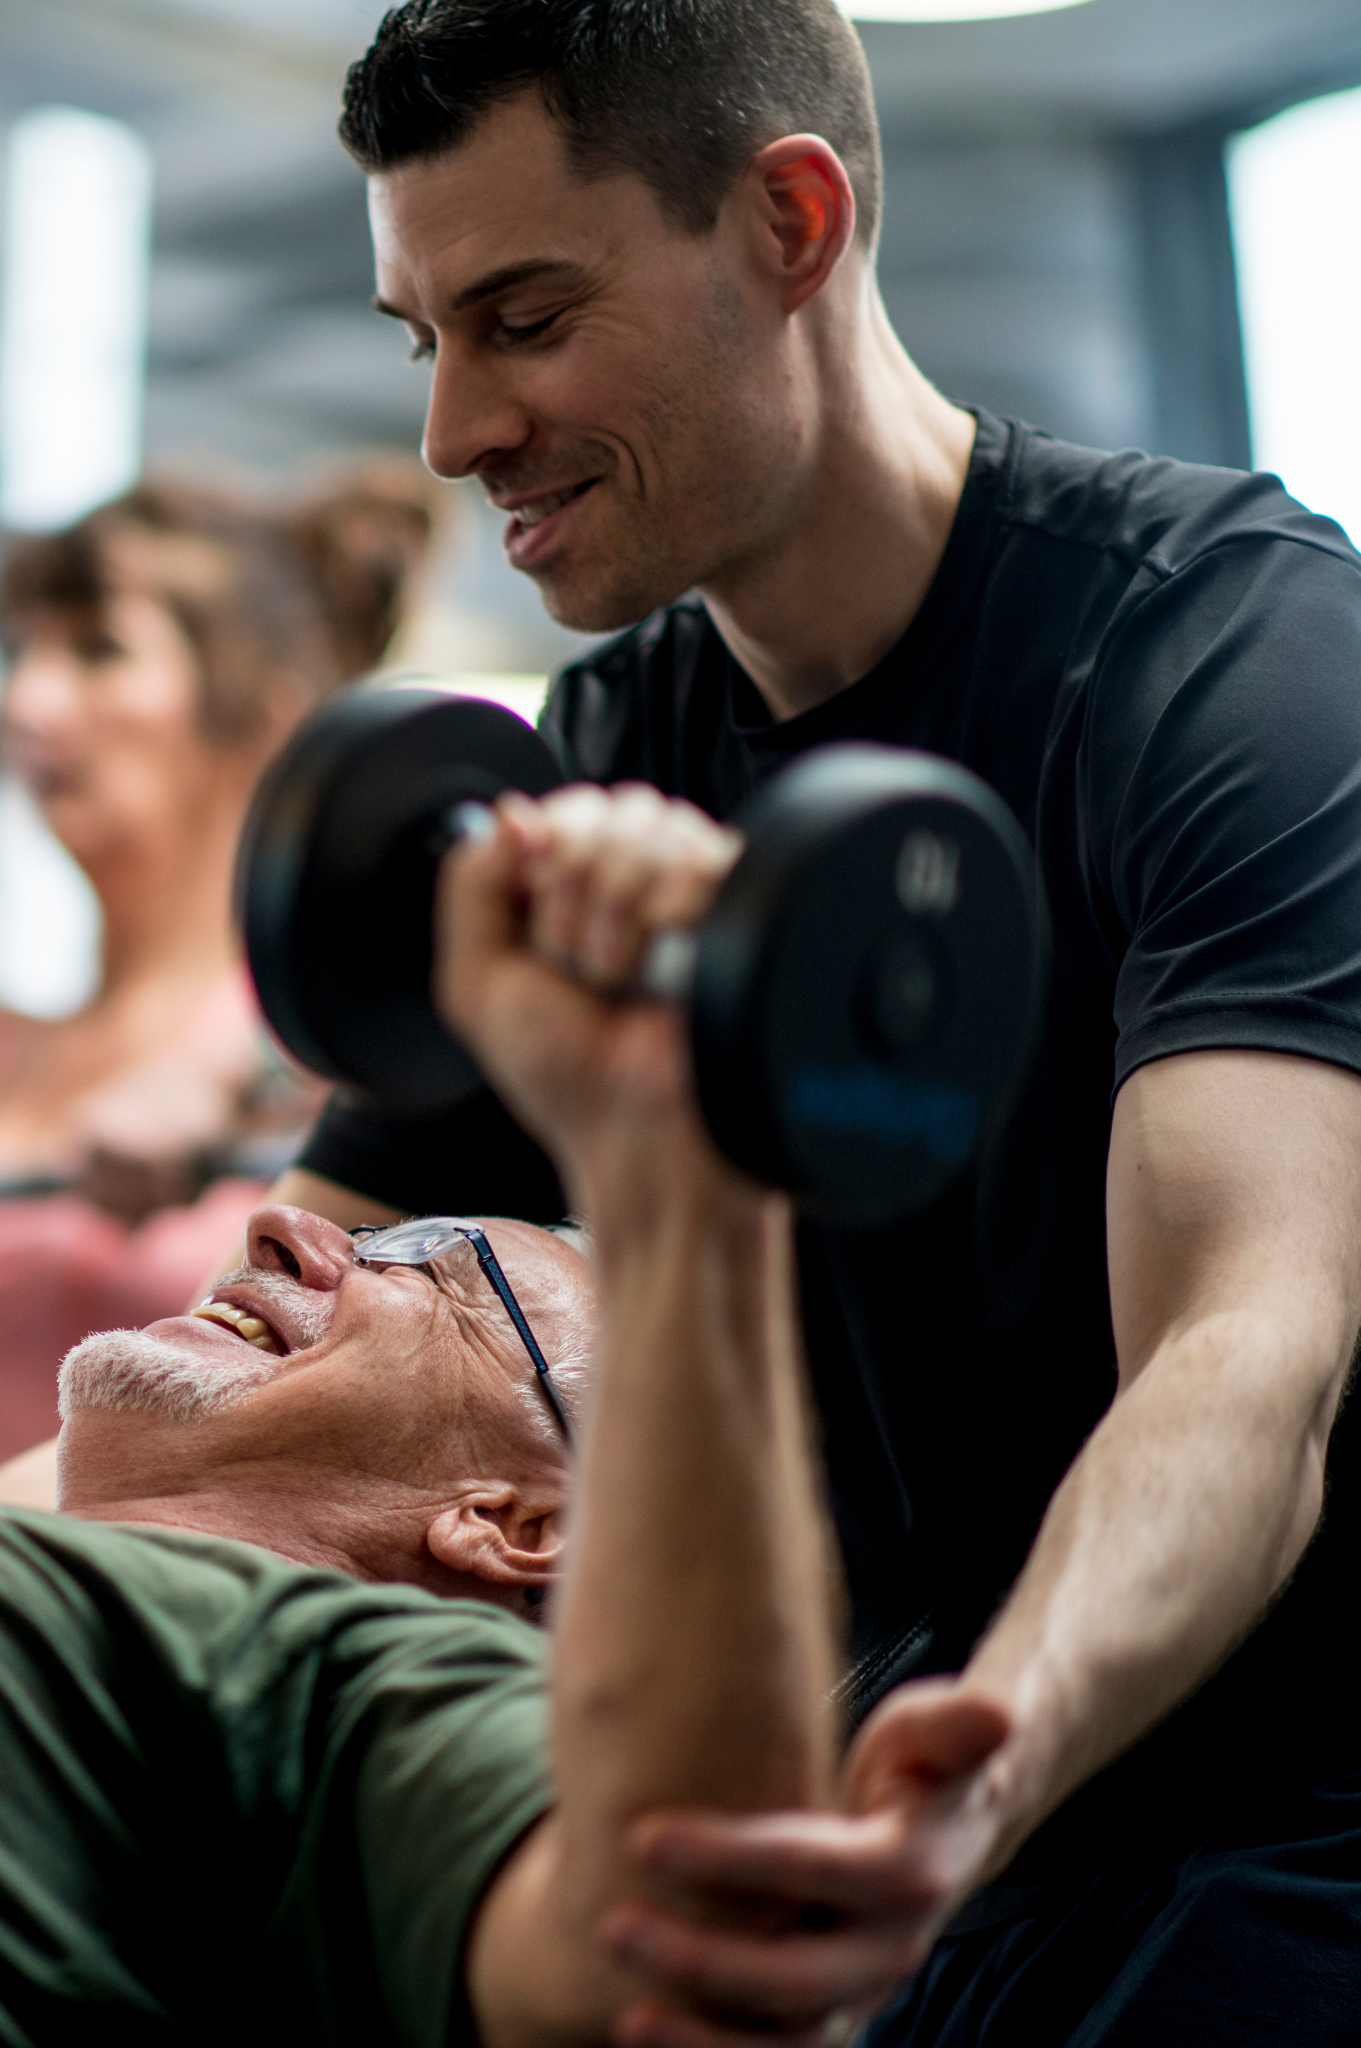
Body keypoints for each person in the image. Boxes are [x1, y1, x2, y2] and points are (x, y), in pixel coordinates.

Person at [34, 0, 1361, 2033]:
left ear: (787, 223)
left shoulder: (1219, 656)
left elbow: (1238, 1352)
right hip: (855, 1838)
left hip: (1245, 1820)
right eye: (424, 340)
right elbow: (247, 1331)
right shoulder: (606, 758)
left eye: (526, 317)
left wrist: (982, 1748)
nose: (452, 430)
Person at [0, 800, 854, 2045]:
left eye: (423, 1259)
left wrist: (678, 1170)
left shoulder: (325, 1685)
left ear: (511, 1521)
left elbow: (684, 1947)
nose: (283, 1227)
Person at [0, 464, 438, 1456]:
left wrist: (239, 1078)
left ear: (266, 718)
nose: (26, 698)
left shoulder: (328, 1055)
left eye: (99, 651)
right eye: (21, 649)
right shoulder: (10, 1040)